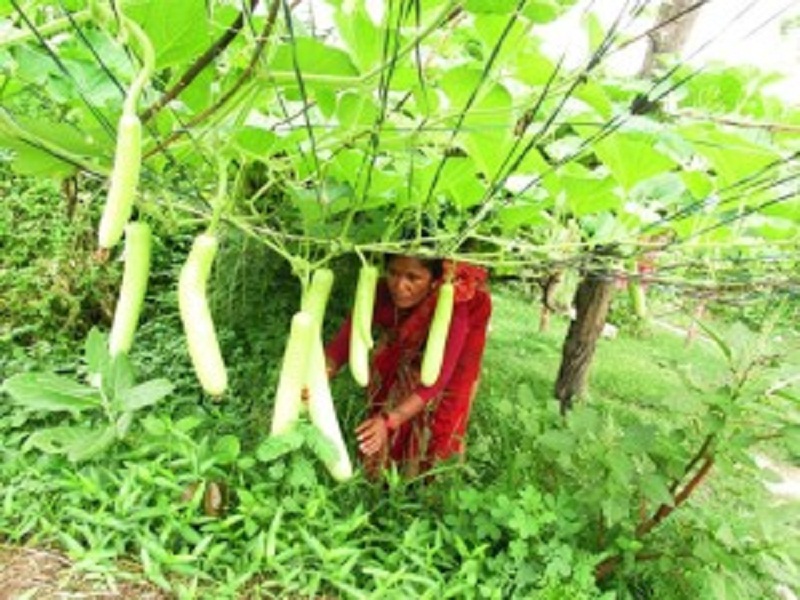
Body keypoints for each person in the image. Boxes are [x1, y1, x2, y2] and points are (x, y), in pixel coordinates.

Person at [324, 255, 491, 477]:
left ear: (435, 280)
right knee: (389, 396)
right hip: (405, 350)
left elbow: (439, 376)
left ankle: (428, 486)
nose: (400, 286)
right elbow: (344, 342)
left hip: (454, 359)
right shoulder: (379, 291)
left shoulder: (456, 303)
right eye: (393, 273)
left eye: (413, 278)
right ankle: (383, 473)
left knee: (445, 415)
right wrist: (319, 377)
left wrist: (390, 420)